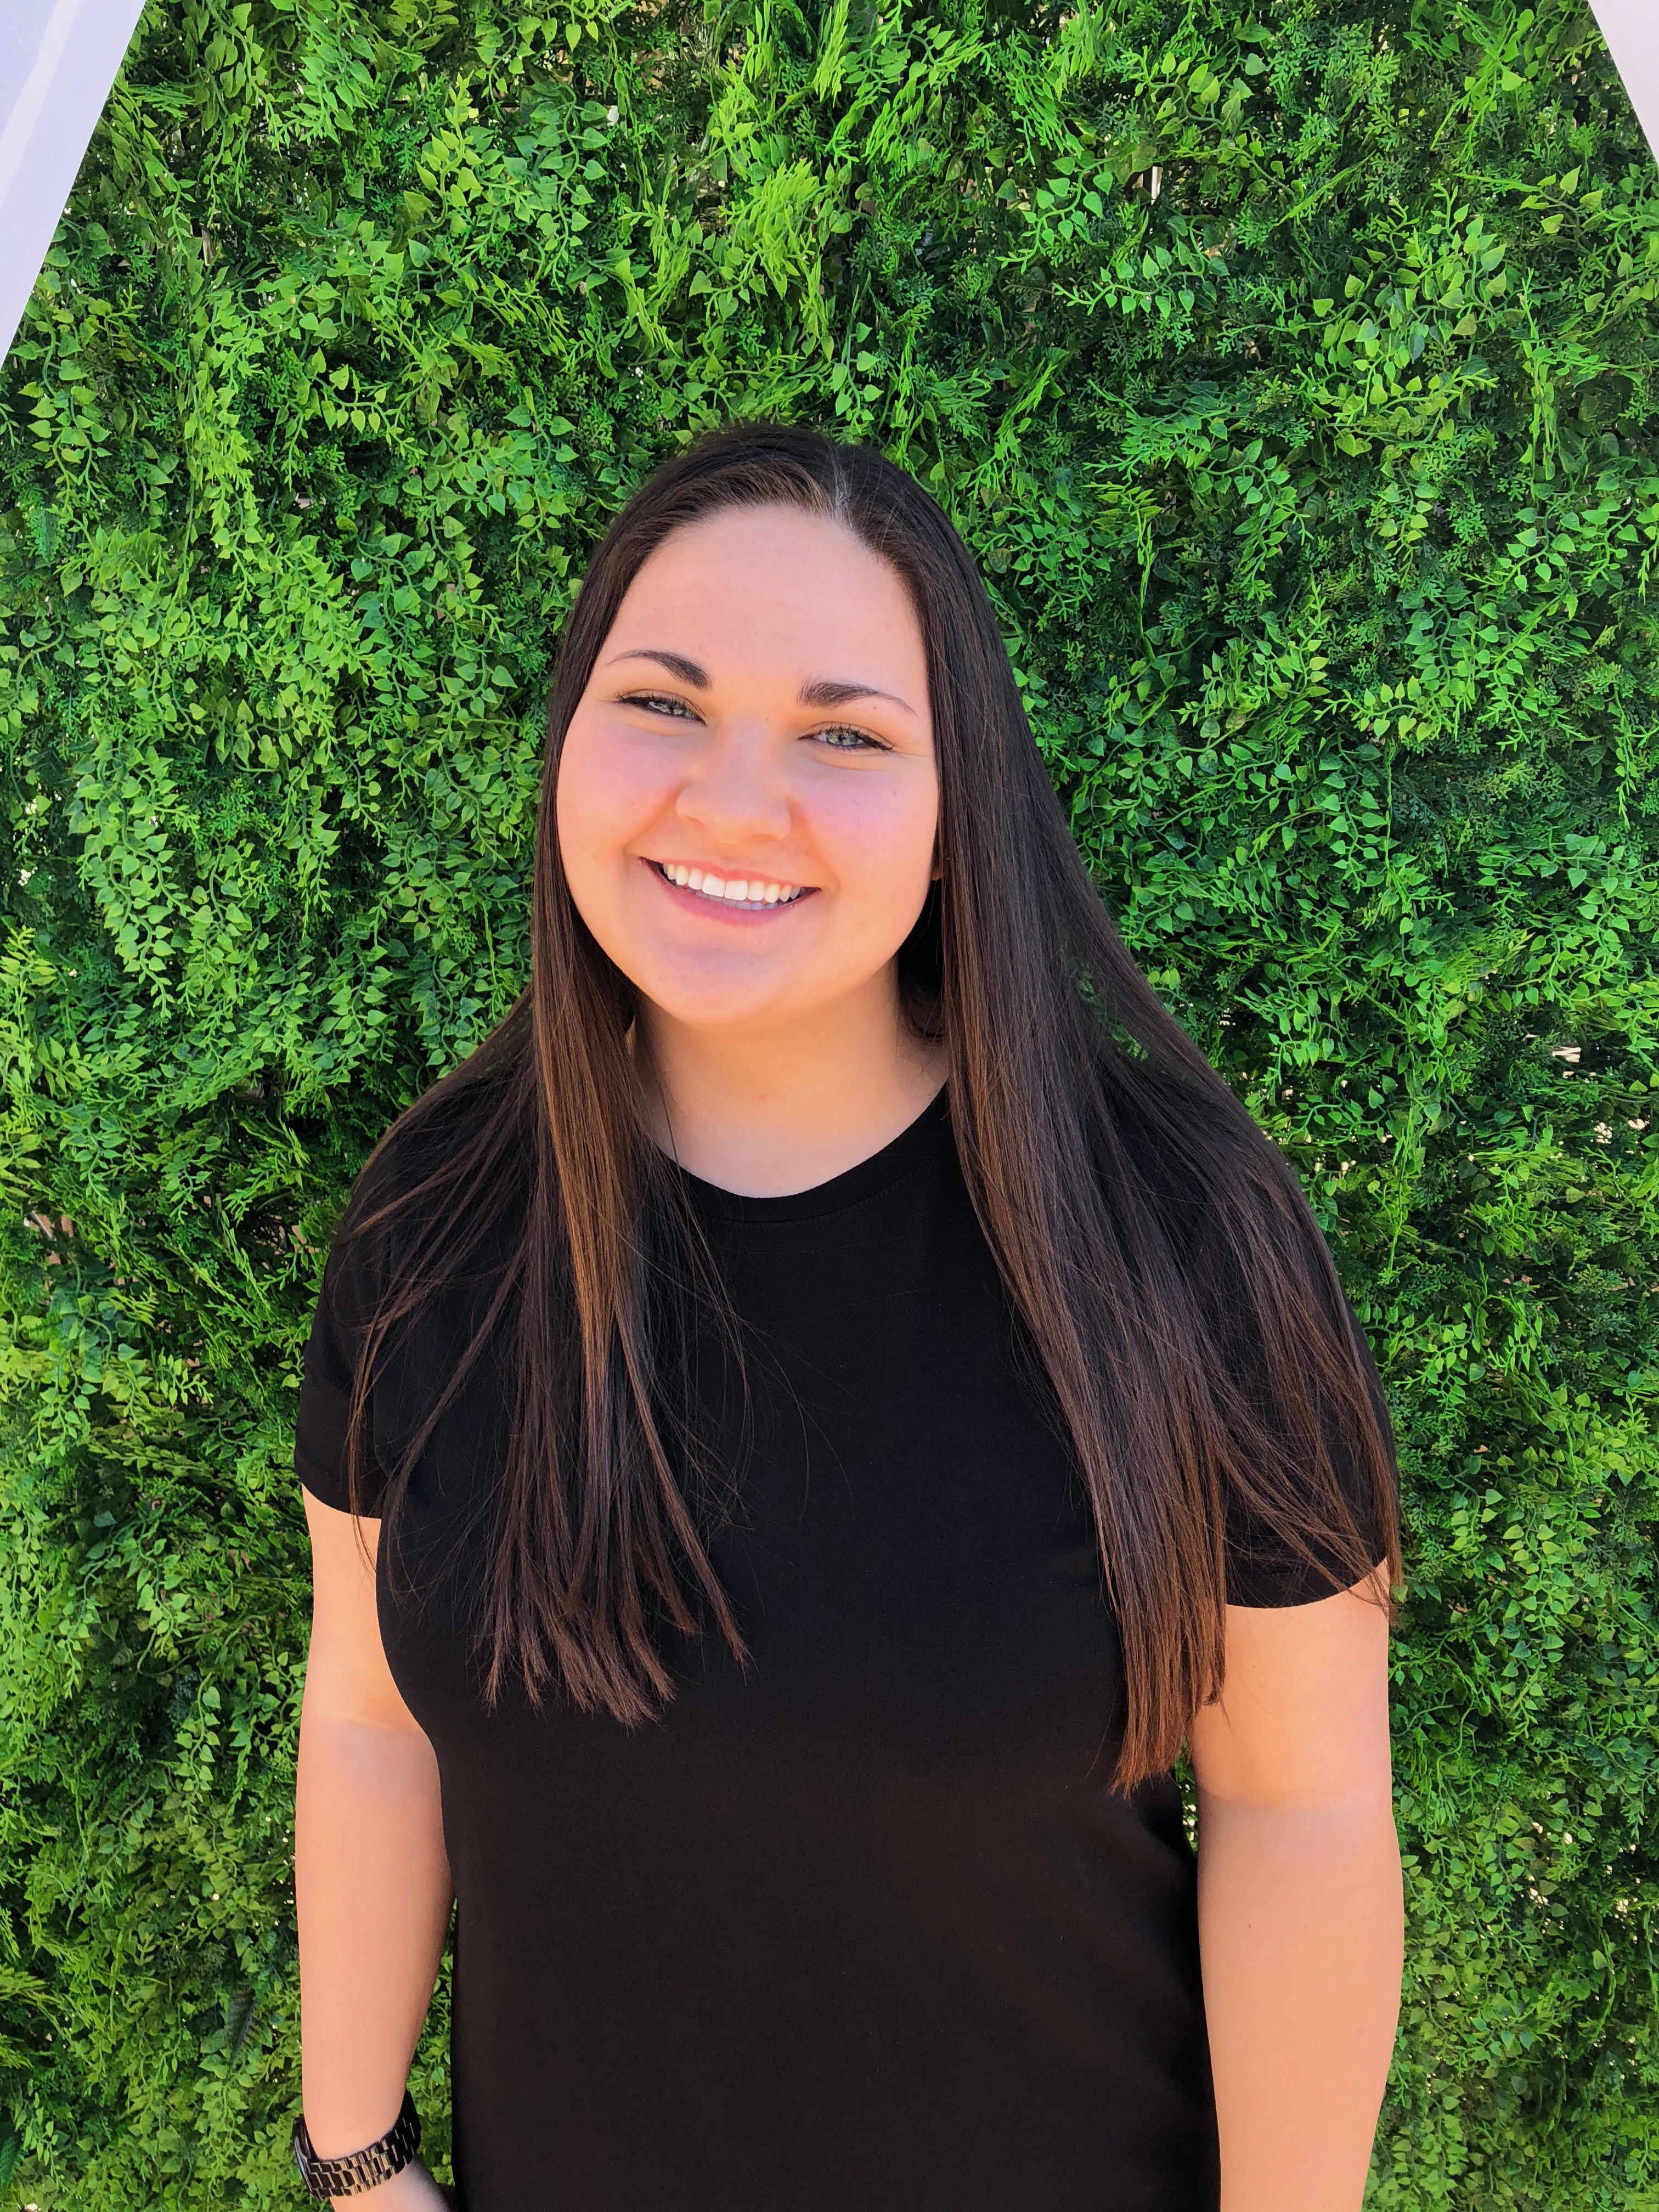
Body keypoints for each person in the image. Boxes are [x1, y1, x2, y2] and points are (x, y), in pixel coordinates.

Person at [292, 424, 1404, 2211]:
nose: (734, 799)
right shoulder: (433, 1228)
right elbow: (367, 1707)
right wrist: (356, 2163)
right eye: (661, 701)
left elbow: (1305, 1804)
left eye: (844, 733)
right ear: (569, 741)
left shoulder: (1178, 1240)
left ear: (962, 808)